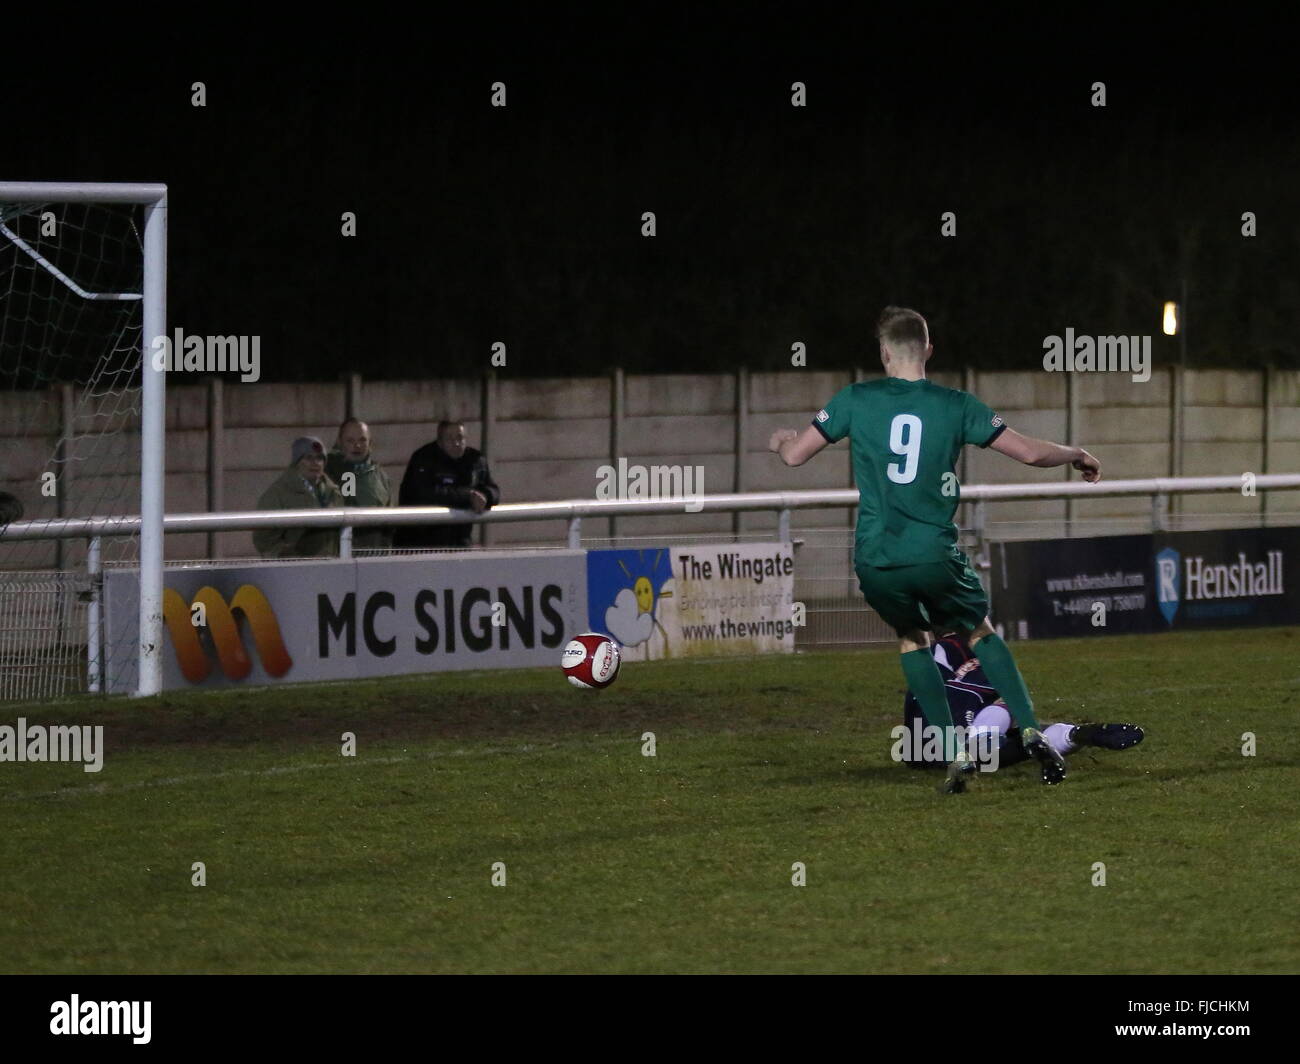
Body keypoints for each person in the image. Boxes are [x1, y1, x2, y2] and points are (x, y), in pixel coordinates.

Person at [769, 305, 1103, 795]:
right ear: (928, 349)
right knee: (978, 630)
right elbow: (1030, 453)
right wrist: (1076, 453)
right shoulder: (956, 405)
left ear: (883, 352)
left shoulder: (855, 399)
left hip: (876, 558)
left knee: (912, 636)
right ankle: (1030, 729)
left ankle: (953, 751)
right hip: (934, 552)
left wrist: (781, 441)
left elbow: (796, 457)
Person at [898, 633, 1144, 771]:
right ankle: (1073, 734)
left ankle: (1070, 735)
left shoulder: (925, 653)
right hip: (953, 735)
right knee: (1008, 696)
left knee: (1012, 744)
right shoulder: (956, 646)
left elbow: (923, 696)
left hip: (918, 751)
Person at [395, 420, 500, 549]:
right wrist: (468, 496)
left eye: (460, 438)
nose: (456, 443)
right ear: (439, 441)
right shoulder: (424, 458)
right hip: (421, 543)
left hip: (460, 542)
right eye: (450, 439)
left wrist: (485, 496)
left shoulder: (475, 460)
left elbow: (493, 490)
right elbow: (425, 494)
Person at [253, 436, 344, 558]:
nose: (315, 463)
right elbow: (263, 539)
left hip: (331, 566)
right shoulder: (278, 493)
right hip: (295, 570)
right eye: (308, 458)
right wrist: (288, 557)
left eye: (319, 458)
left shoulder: (333, 492)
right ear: (297, 462)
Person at [325, 417, 394, 552]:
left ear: (370, 443)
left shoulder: (379, 475)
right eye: (350, 441)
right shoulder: (330, 473)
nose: (357, 445)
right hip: (342, 554)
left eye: (362, 440)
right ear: (340, 442)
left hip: (376, 554)